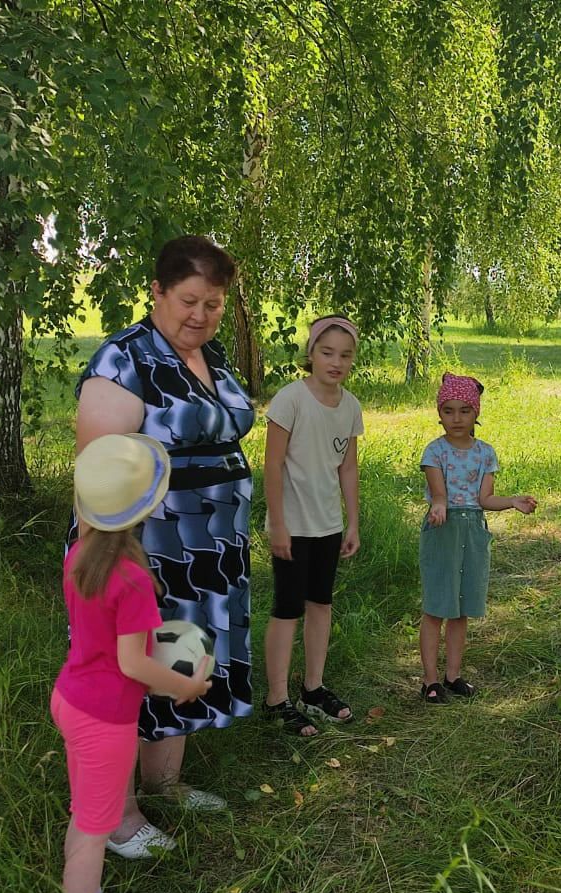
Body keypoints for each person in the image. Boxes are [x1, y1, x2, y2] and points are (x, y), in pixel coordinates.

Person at [74, 235, 254, 858]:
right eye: (187, 301)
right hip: (148, 553)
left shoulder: (211, 354)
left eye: (213, 303)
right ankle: (119, 818)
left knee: (184, 656)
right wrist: (119, 562)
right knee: (133, 673)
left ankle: (165, 785)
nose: (200, 315)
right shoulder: (124, 361)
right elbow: (99, 477)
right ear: (156, 291)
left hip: (212, 552)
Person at [53, 434, 211, 893]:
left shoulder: (79, 555)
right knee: (93, 827)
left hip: (72, 699)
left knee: (85, 813)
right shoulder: (131, 578)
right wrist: (187, 686)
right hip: (105, 718)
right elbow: (132, 663)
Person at [262, 315, 363, 734]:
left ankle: (313, 688)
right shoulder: (291, 400)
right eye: (327, 352)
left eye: (345, 355)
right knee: (288, 608)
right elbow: (272, 464)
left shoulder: (351, 406)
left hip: (328, 524)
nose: (335, 362)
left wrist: (352, 522)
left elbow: (349, 469)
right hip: (293, 525)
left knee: (321, 603)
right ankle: (276, 698)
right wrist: (278, 525)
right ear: (311, 353)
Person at [417, 373, 537, 703]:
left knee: (460, 609)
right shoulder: (435, 451)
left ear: (476, 413)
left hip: (473, 530)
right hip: (443, 530)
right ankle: (429, 680)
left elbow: (485, 498)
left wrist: (512, 502)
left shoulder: (485, 454)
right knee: (436, 607)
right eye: (449, 411)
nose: (456, 418)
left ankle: (453, 675)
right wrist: (438, 505)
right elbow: (438, 492)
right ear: (439, 413)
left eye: (464, 411)